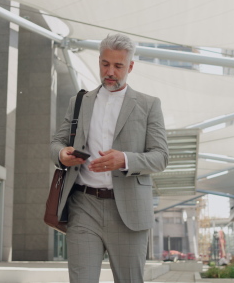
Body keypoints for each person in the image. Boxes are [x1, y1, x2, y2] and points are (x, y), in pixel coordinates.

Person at [51, 33, 169, 282]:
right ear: (99, 61)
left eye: (118, 66)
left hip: (128, 211)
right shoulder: (79, 102)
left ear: (131, 66)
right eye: (105, 64)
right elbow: (57, 143)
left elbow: (160, 157)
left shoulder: (149, 105)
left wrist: (124, 160)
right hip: (84, 206)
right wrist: (62, 154)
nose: (110, 72)